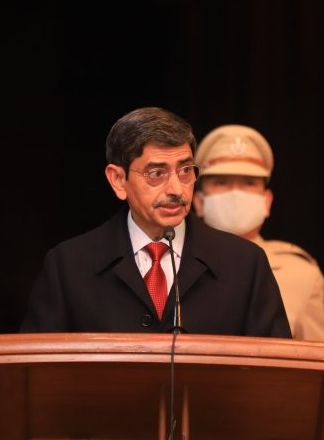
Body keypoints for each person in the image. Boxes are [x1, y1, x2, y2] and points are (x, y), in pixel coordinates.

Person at [20, 107, 292, 338]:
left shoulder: (245, 265)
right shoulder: (68, 266)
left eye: (185, 170)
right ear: (118, 180)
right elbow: (35, 375)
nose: (176, 188)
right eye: (156, 173)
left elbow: (275, 375)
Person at [192, 124, 324, 341]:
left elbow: (320, 368)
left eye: (249, 183)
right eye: (221, 183)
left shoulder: (301, 275)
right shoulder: (174, 264)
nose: (235, 194)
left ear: (267, 201)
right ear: (198, 202)